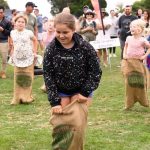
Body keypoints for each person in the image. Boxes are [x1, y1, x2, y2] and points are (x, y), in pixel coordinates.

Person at [43, 12, 101, 149]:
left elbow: (95, 71)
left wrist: (85, 92)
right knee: (62, 123)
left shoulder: (85, 47)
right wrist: (54, 101)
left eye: (65, 32)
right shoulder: (51, 49)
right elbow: (48, 75)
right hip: (61, 91)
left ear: (73, 30)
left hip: (81, 90)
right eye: (58, 32)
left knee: (76, 125)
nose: (61, 36)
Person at [9, 14, 38, 105]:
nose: (21, 23)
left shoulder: (29, 32)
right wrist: (12, 53)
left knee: (27, 78)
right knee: (18, 78)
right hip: (17, 59)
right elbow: (13, 44)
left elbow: (35, 40)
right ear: (15, 23)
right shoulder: (12, 33)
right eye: (19, 21)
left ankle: (26, 98)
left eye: (23, 22)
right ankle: (17, 98)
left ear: (25, 24)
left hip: (28, 58)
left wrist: (35, 51)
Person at [121, 19, 150, 110]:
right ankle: (129, 103)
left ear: (140, 29)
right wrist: (124, 54)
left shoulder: (143, 40)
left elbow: (149, 48)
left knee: (140, 83)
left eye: (134, 26)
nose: (131, 28)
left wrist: (144, 56)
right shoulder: (128, 38)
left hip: (138, 63)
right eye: (131, 27)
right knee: (129, 83)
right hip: (128, 62)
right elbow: (125, 47)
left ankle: (143, 100)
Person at [0, 6, 12, 79]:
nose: (0, 14)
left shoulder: (7, 22)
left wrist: (3, 30)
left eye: (1, 12)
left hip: (3, 42)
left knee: (4, 59)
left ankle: (3, 72)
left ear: (3, 13)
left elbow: (10, 33)